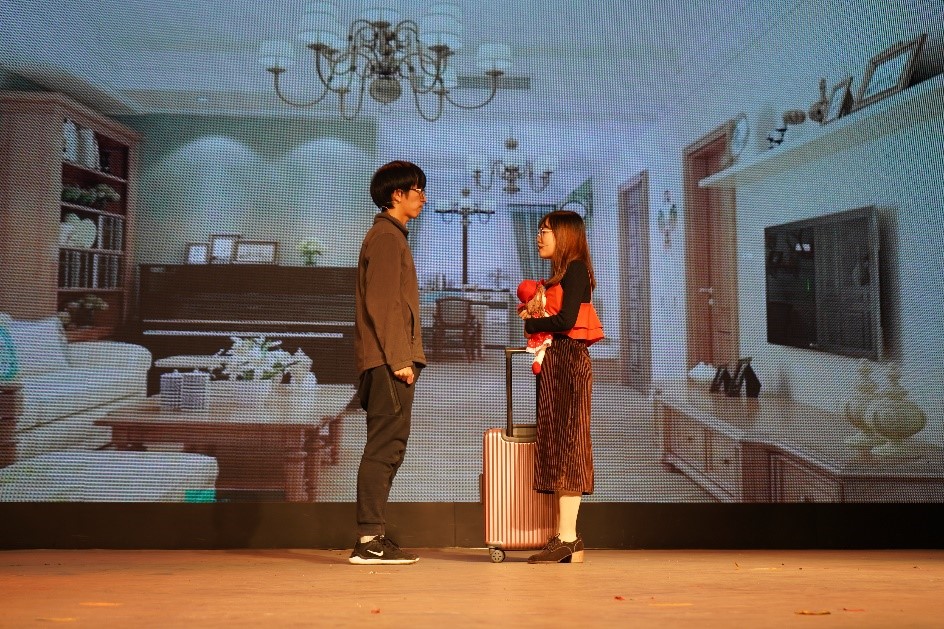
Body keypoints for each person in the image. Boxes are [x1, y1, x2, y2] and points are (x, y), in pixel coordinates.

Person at [349, 160, 427, 565]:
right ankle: (368, 541)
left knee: (390, 447)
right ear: (397, 194)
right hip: (387, 360)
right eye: (417, 190)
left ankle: (373, 535)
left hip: (386, 359)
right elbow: (382, 304)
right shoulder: (385, 237)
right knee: (384, 447)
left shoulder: (392, 235)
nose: (423, 198)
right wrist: (399, 358)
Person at [518, 210, 603, 564]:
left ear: (565, 235)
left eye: (546, 231)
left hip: (568, 361)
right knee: (556, 443)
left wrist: (531, 324)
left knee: (569, 444)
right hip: (556, 362)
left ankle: (568, 538)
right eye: (539, 230)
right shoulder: (562, 273)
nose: (539, 237)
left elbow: (566, 320)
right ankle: (565, 538)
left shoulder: (577, 268)